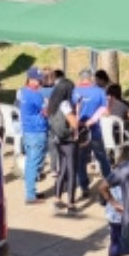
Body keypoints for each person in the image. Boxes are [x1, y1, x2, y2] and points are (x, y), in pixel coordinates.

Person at [72, 67, 111, 192]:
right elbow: (104, 109)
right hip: (94, 129)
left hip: (79, 130)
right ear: (91, 78)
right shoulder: (99, 91)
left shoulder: (74, 91)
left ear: (81, 78)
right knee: (101, 157)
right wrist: (92, 120)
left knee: (81, 159)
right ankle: (109, 183)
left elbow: (71, 109)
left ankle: (84, 186)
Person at [46, 76, 81, 212]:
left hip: (58, 140)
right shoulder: (65, 104)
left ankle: (57, 198)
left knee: (62, 169)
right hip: (69, 140)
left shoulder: (52, 104)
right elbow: (74, 123)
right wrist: (77, 112)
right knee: (71, 171)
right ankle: (71, 203)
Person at [16, 68, 48, 205]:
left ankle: (32, 191)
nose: (40, 82)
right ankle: (30, 194)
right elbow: (46, 112)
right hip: (37, 130)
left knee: (32, 161)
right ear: (31, 79)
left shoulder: (22, 92)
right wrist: (47, 103)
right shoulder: (36, 95)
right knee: (34, 162)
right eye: (38, 79)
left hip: (28, 130)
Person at [103, 147, 129, 256]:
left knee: (115, 244)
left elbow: (103, 187)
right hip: (126, 214)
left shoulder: (115, 171)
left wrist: (113, 203)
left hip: (114, 215)